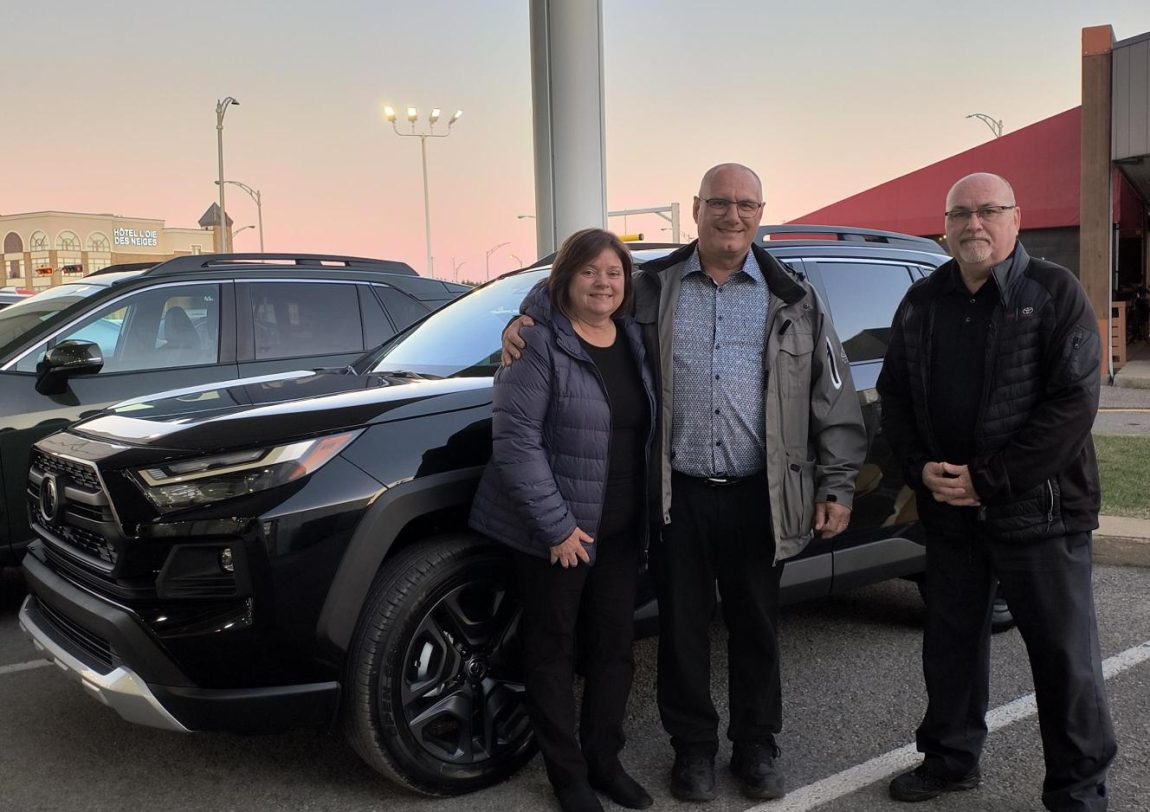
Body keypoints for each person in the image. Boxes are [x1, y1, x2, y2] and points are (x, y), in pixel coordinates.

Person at [503, 163, 867, 802]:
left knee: (756, 629)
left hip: (762, 494)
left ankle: (756, 748)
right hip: (678, 494)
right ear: (696, 208)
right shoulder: (656, 285)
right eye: (720, 203)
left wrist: (836, 484)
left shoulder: (796, 297)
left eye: (746, 204)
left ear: (761, 212)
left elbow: (831, 396)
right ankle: (693, 751)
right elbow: (584, 286)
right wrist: (524, 316)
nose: (733, 215)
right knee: (682, 631)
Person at [877, 173, 1117, 810]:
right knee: (951, 644)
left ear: (1017, 218)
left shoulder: (1054, 292)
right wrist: (919, 465)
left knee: (1064, 659)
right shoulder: (924, 299)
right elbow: (896, 394)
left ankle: (1079, 787)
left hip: (1039, 512)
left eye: (988, 211)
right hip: (950, 511)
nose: (974, 224)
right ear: (945, 225)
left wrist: (987, 480)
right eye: (961, 213)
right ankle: (951, 759)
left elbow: (1072, 407)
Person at [470, 228, 658, 812]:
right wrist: (556, 527)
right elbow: (516, 441)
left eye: (614, 273)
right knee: (551, 651)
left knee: (613, 648)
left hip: (622, 529)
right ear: (565, 279)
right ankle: (567, 775)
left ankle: (605, 759)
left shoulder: (631, 338)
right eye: (589, 272)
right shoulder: (537, 346)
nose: (603, 283)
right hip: (558, 533)